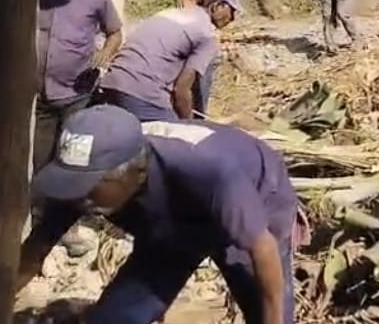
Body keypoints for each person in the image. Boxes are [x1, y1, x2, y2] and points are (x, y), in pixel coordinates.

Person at [16, 105, 296, 324]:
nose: (79, 196)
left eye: (89, 187)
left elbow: (263, 251)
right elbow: (34, 252)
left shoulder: (208, 170)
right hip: (171, 225)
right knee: (114, 319)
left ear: (134, 173)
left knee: (265, 310)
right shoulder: (83, 185)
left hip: (256, 204)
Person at [36, 0, 124, 172]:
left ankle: (70, 205)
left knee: (73, 159)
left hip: (78, 94)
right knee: (40, 160)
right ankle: (40, 204)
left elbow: (115, 33)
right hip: (39, 97)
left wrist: (106, 53)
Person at [99, 0, 240, 121]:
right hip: (142, 93)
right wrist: (191, 125)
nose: (233, 18)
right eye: (232, 10)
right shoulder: (206, 35)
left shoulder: (169, 13)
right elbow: (182, 90)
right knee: (174, 138)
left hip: (111, 83)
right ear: (217, 6)